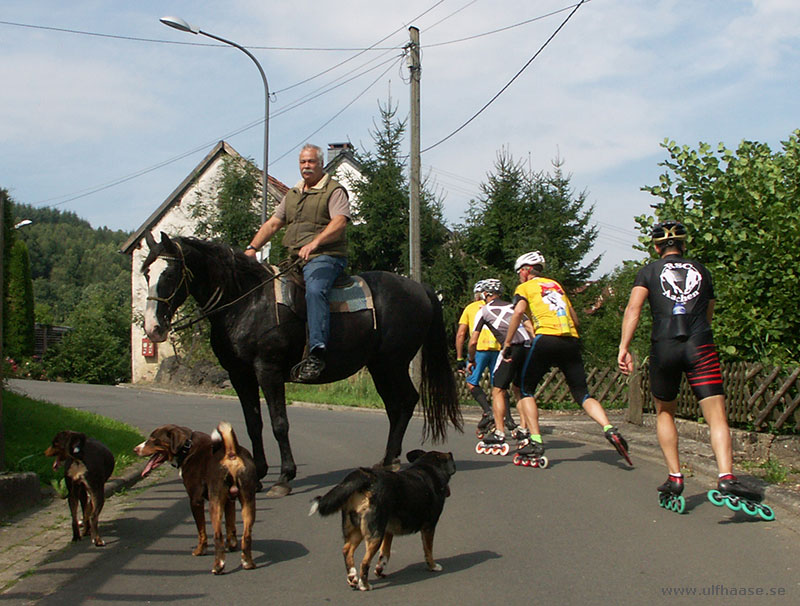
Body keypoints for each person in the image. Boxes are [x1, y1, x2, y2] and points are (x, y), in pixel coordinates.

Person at [618, 220, 766, 512]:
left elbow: (634, 309)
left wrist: (624, 347)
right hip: (699, 343)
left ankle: (674, 477)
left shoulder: (648, 271)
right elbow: (708, 311)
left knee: (664, 412)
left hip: (664, 345)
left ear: (657, 246)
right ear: (684, 245)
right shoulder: (702, 270)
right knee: (717, 415)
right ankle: (726, 477)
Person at [503, 251, 631, 464]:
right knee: (582, 393)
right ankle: (609, 428)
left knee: (525, 389)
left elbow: (518, 313)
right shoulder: (556, 286)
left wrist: (507, 344)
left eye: (519, 273)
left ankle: (535, 440)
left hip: (546, 338)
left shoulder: (524, 287)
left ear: (525, 271)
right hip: (570, 339)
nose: (519, 276)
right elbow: (574, 317)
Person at [244, 143, 350, 382]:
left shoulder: (333, 191)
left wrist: (316, 243)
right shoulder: (292, 195)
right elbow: (273, 224)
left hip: (326, 258)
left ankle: (317, 352)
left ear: (321, 163)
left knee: (315, 291)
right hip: (294, 259)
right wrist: (251, 249)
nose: (306, 166)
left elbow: (340, 222)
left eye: (311, 162)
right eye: (303, 162)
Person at [467, 279, 538, 458]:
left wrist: (471, 359)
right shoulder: (513, 306)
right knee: (520, 390)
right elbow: (530, 327)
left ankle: (499, 432)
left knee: (498, 390)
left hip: (510, 348)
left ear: (485, 294)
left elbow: (473, 340)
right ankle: (523, 429)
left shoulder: (482, 310)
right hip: (528, 347)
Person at [455, 280, 518, 435]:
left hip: (479, 349)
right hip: (498, 349)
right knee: (499, 387)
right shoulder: (504, 307)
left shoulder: (470, 308)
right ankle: (509, 420)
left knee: (471, 382)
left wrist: (459, 358)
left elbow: (461, 334)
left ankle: (488, 411)